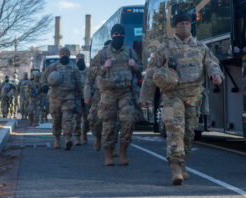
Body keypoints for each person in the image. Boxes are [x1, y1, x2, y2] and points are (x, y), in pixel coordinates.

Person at [140, 12, 223, 185]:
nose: (184, 26)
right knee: (174, 130)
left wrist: (216, 75)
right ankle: (175, 168)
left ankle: (183, 162)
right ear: (175, 26)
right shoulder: (165, 47)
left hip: (193, 97)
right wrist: (145, 96)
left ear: (190, 25)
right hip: (171, 96)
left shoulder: (200, 47)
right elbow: (151, 72)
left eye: (187, 23)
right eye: (181, 24)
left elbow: (212, 63)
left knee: (189, 133)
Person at [92, 24, 142, 166]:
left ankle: (123, 152)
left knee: (128, 121)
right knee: (109, 124)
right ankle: (108, 154)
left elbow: (141, 69)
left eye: (121, 34)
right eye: (115, 34)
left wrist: (134, 65)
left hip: (125, 92)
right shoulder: (103, 53)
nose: (118, 36)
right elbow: (92, 71)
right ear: (111, 35)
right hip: (108, 93)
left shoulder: (130, 51)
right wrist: (104, 67)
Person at [41, 47, 81, 150]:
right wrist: (44, 85)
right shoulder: (53, 67)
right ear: (60, 55)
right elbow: (44, 77)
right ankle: (57, 139)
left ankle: (68, 139)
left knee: (67, 119)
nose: (64, 56)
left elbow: (79, 82)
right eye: (62, 54)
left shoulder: (73, 68)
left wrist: (81, 95)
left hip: (69, 97)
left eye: (66, 54)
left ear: (68, 55)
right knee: (56, 119)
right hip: (55, 97)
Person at [84, 40, 111, 151]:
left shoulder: (120, 58)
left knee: (112, 121)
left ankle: (111, 147)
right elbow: (89, 79)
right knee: (94, 119)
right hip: (98, 94)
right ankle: (98, 137)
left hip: (113, 93)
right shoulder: (97, 59)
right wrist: (87, 95)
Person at [72, 53, 89, 145]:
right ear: (76, 60)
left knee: (86, 118)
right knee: (76, 118)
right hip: (77, 97)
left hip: (86, 97)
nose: (81, 60)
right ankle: (77, 138)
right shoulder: (73, 71)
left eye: (82, 59)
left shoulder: (88, 71)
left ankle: (84, 135)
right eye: (79, 59)